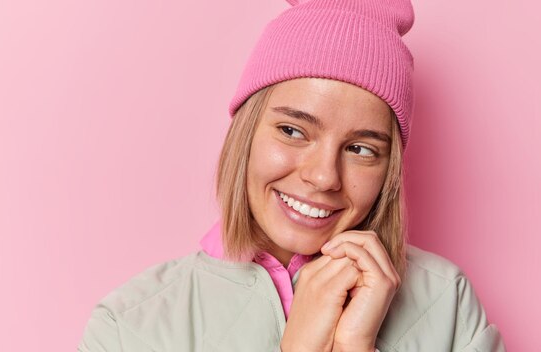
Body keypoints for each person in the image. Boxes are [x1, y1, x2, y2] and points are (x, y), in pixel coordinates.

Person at [78, 0, 506, 351]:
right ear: (246, 133)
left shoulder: (447, 302)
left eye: (361, 149)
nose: (323, 177)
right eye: (292, 130)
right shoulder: (128, 326)